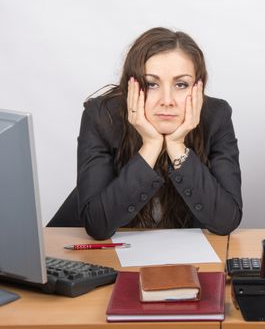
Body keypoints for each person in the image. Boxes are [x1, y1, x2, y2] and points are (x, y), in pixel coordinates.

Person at [77, 27, 242, 240]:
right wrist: (151, 146)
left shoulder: (216, 116)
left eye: (181, 84)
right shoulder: (101, 116)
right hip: (98, 260)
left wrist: (176, 145)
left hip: (182, 261)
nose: (167, 100)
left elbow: (225, 220)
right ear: (131, 86)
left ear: (198, 88)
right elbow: (97, 225)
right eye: (151, 84)